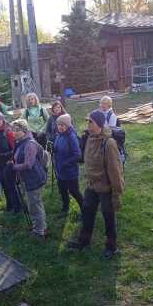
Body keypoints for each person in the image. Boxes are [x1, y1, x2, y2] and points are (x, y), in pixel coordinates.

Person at [68, 110, 124, 259]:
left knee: (108, 216)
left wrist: (117, 191)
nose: (88, 124)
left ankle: (111, 247)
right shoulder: (89, 138)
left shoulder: (109, 143)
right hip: (91, 185)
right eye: (88, 121)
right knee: (87, 212)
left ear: (99, 124)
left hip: (106, 187)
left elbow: (115, 169)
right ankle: (83, 241)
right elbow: (85, 159)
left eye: (90, 121)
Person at [11, 119, 48, 238]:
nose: (14, 132)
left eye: (17, 130)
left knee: (34, 205)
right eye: (13, 130)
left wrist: (14, 167)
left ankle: (39, 231)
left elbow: (28, 164)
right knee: (35, 203)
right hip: (28, 178)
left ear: (24, 130)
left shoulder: (29, 144)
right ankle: (41, 225)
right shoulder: (21, 141)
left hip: (34, 178)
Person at [0, 111, 21, 213]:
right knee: (4, 186)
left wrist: (11, 160)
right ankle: (9, 205)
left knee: (11, 185)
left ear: (3, 120)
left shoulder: (8, 132)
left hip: (8, 162)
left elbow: (15, 148)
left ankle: (17, 207)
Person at [53, 114, 83, 216]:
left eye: (63, 125)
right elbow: (57, 148)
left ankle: (85, 210)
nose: (60, 127)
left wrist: (66, 163)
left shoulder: (71, 137)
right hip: (60, 170)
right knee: (62, 190)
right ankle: (65, 208)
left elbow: (77, 155)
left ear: (68, 125)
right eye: (59, 124)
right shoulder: (59, 135)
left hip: (70, 171)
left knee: (74, 192)